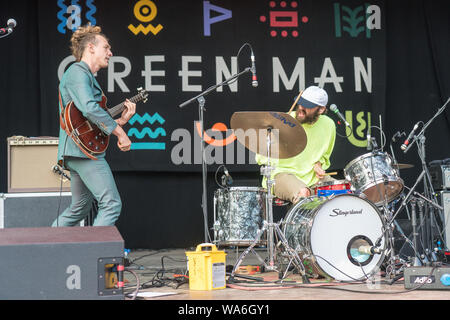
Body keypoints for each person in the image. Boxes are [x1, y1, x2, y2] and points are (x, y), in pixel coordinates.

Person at [53, 25, 136, 227]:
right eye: (106, 47)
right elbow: (89, 108)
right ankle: (96, 255)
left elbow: (85, 120)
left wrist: (120, 121)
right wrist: (120, 132)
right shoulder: (77, 71)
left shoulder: (83, 75)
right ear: (91, 47)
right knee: (111, 204)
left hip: (77, 150)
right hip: (83, 153)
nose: (110, 53)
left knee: (79, 208)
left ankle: (47, 249)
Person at [256, 85, 336, 204]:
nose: (301, 107)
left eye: (308, 106)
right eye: (301, 103)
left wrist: (319, 164)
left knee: (345, 191)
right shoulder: (283, 121)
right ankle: (302, 223)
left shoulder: (329, 125)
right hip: (282, 174)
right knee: (303, 193)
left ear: (321, 110)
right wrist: (271, 139)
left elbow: (325, 155)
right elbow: (260, 158)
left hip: (312, 177)